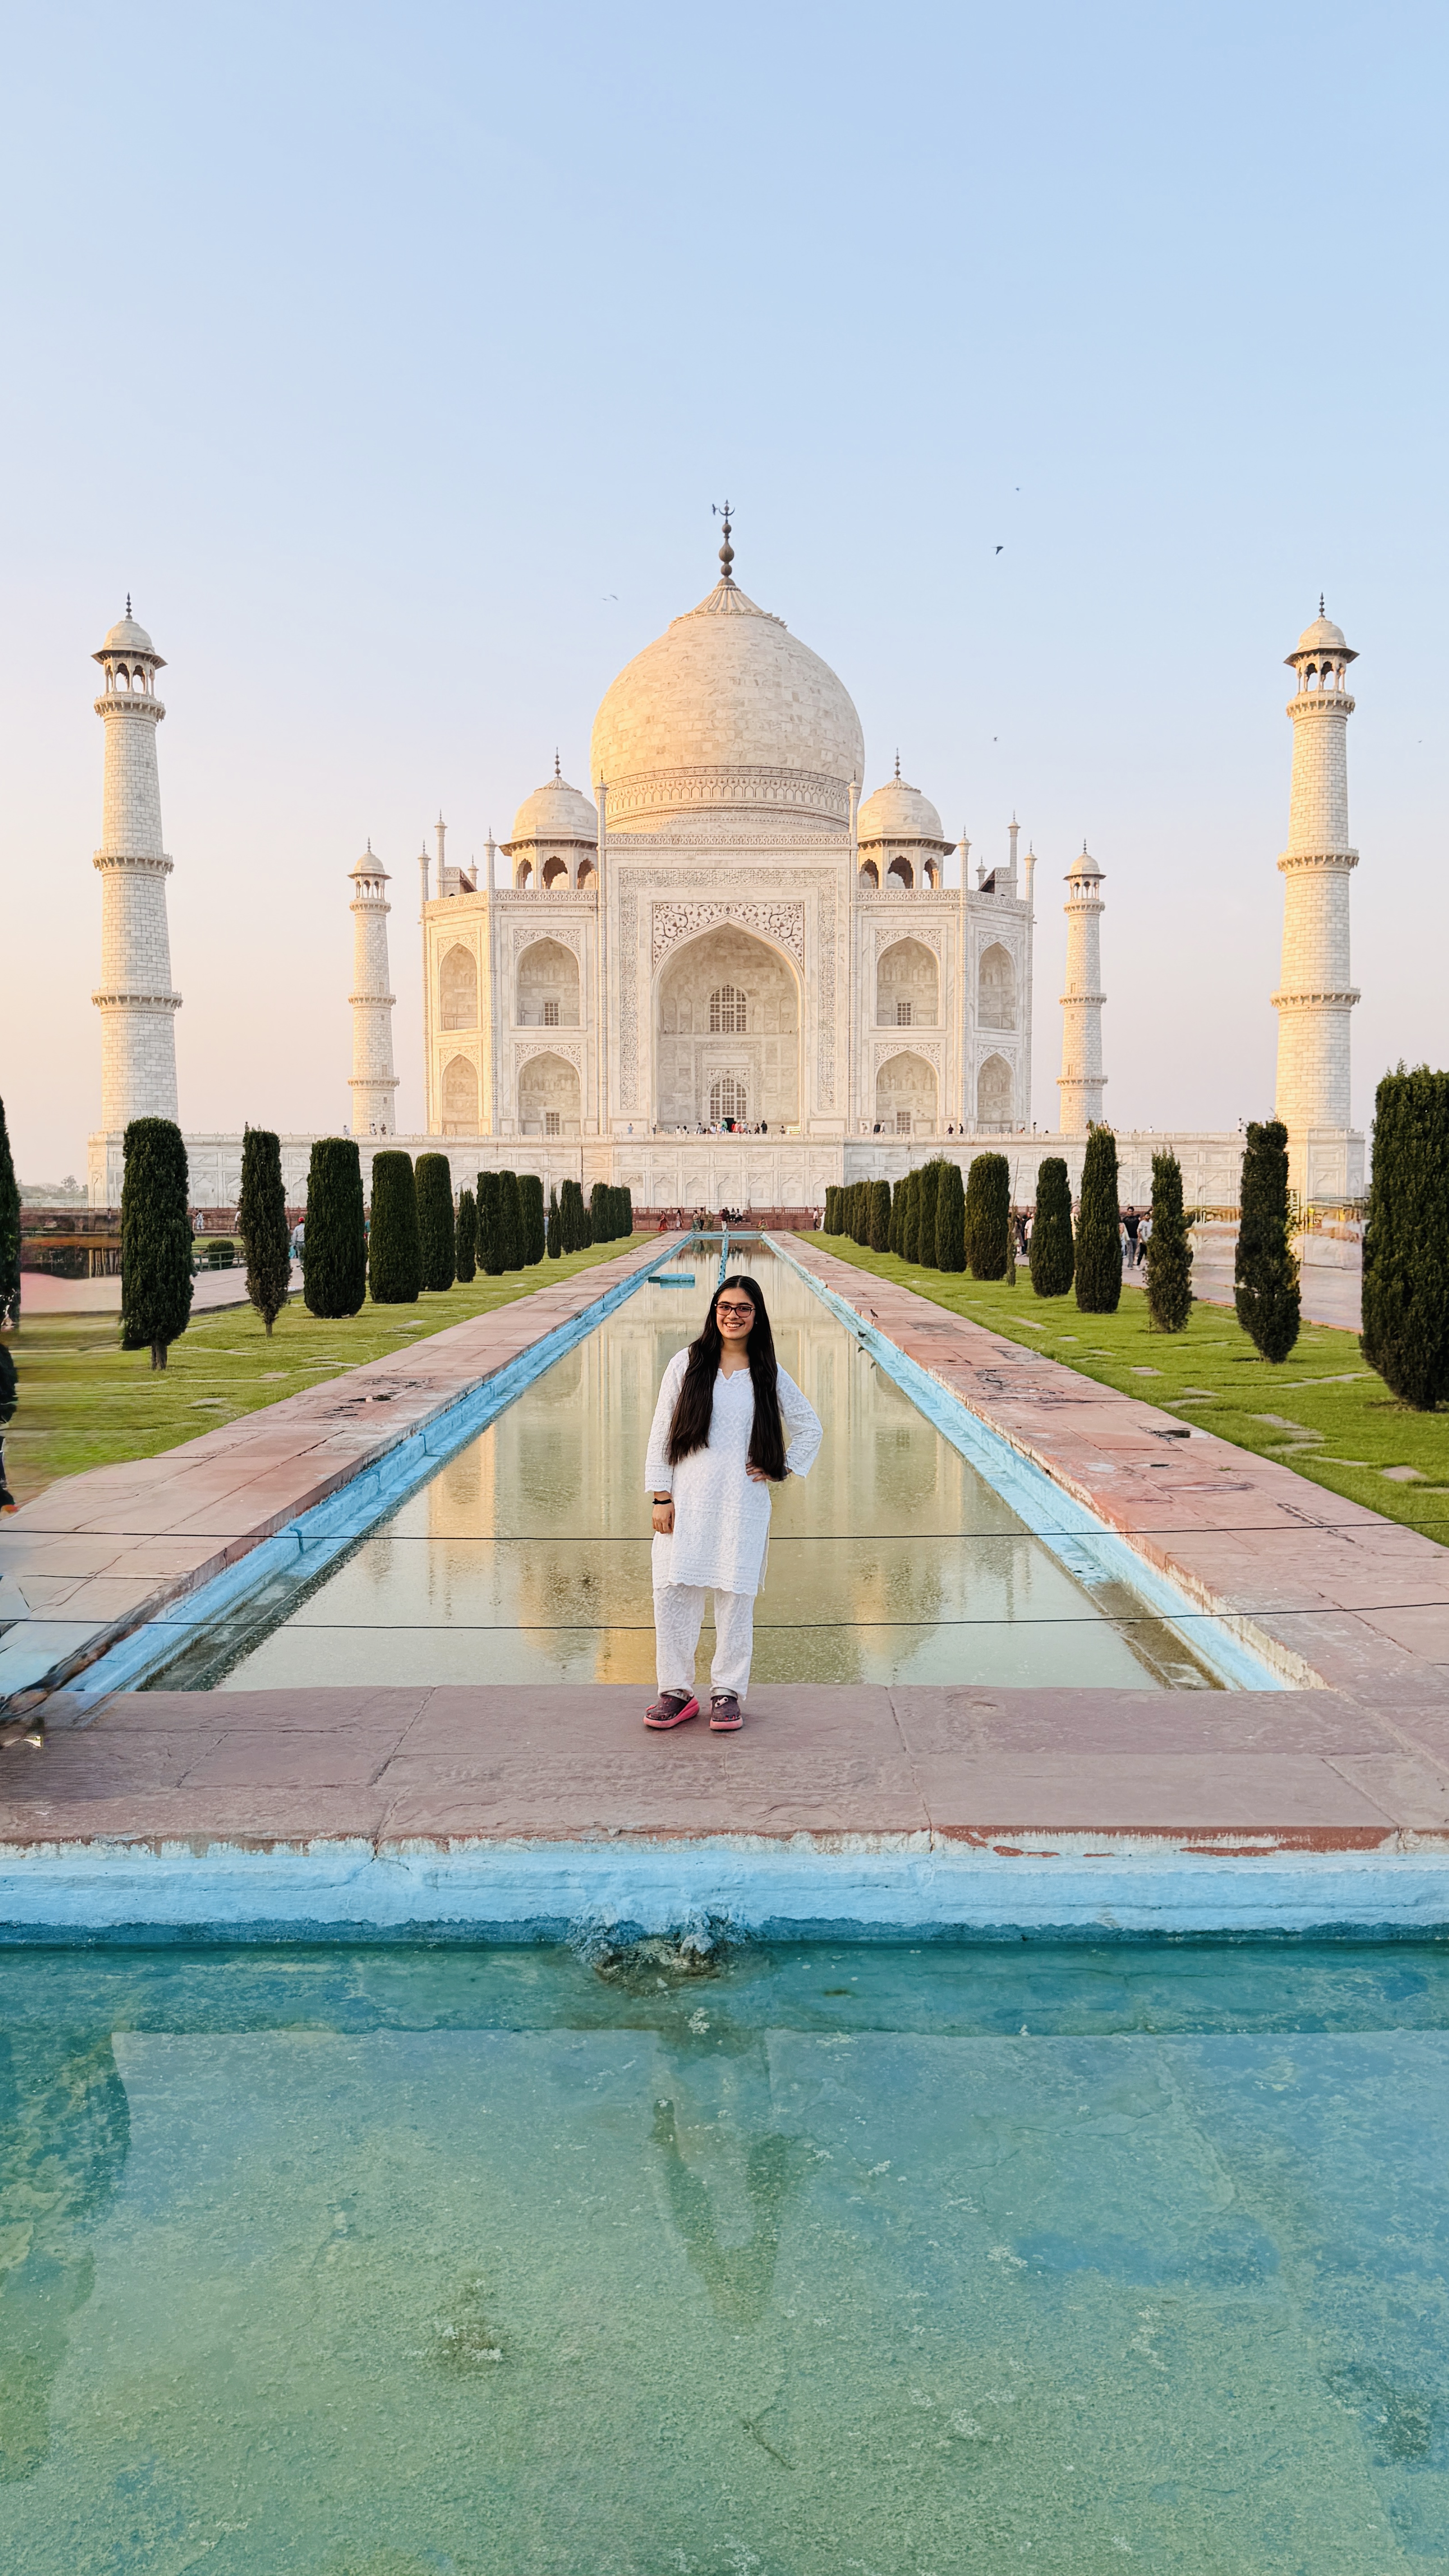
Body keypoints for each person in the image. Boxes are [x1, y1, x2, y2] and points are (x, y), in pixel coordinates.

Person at [643, 1273, 821, 1733]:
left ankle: (727, 1692)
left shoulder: (768, 1374)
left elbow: (810, 1427)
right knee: (674, 1596)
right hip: (685, 1500)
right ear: (713, 1312)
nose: (733, 1315)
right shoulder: (686, 1364)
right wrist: (661, 1496)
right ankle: (676, 1692)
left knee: (735, 1600)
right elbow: (663, 1433)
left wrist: (780, 1466)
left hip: (742, 1503)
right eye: (725, 1306)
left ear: (757, 1316)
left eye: (743, 1308)